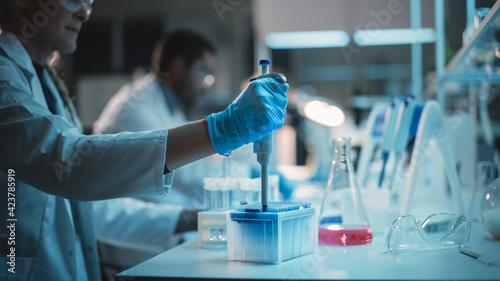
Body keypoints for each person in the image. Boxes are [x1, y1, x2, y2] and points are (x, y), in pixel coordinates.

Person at [0, 1, 289, 281]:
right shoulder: (6, 79)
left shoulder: (50, 88)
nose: (85, 13)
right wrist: (222, 129)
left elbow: (91, 205)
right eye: (74, 0)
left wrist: (193, 217)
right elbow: (70, 166)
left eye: (89, 2)